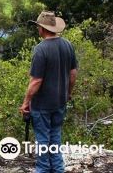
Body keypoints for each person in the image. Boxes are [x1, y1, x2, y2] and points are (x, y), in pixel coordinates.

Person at [20, 11, 78, 173]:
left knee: (43, 142)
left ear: (41, 28)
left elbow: (36, 81)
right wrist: (68, 93)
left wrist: (25, 103)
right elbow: (73, 74)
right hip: (60, 102)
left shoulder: (40, 50)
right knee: (55, 139)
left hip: (42, 105)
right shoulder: (68, 45)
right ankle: (59, 170)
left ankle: (43, 170)